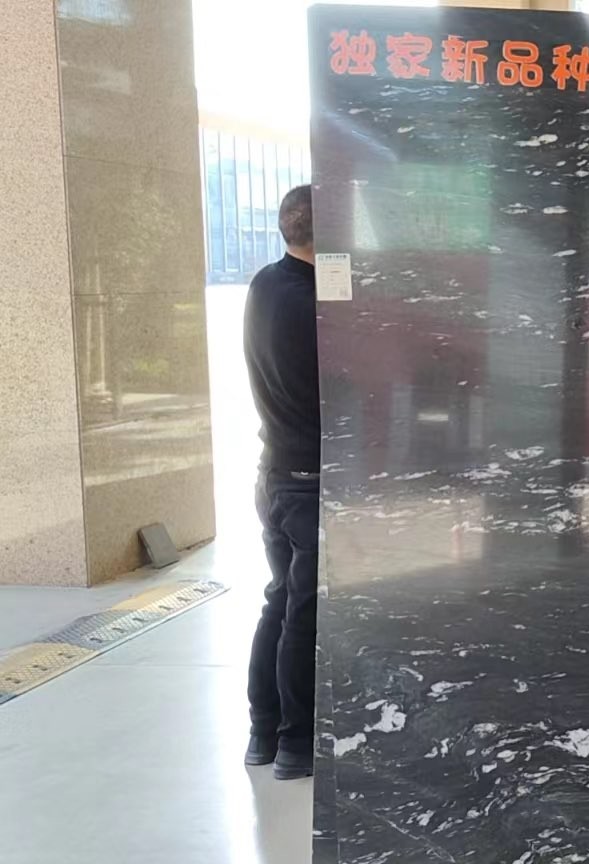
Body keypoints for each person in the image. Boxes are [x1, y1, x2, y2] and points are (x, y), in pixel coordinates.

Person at [242, 185, 321, 780]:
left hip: (273, 475)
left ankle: (262, 733)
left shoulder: (264, 285)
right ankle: (296, 743)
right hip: (307, 482)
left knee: (278, 600)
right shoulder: (315, 305)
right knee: (303, 612)